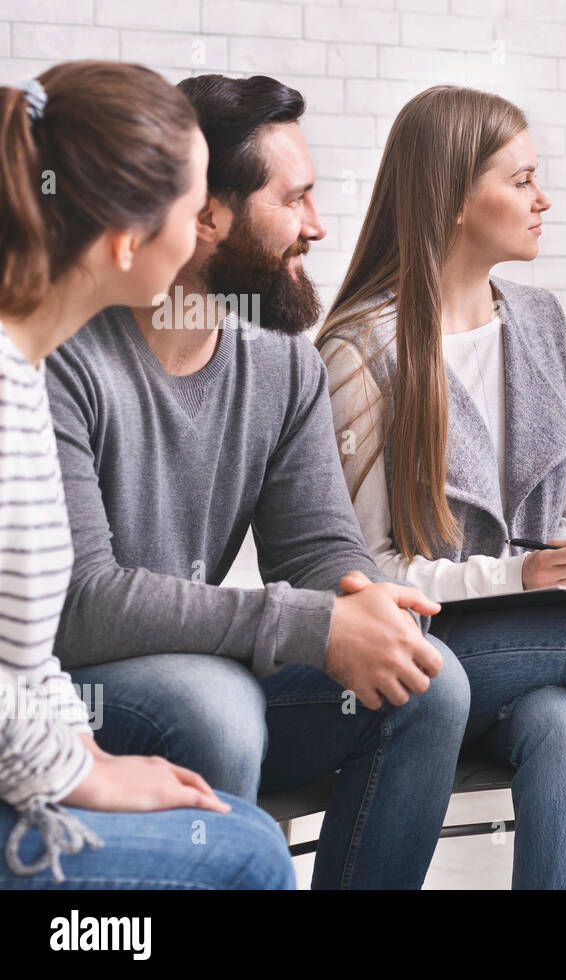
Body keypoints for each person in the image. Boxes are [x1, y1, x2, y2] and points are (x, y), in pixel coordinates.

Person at [45, 73, 471, 890]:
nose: (316, 227)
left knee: (427, 681)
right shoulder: (63, 355)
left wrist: (364, 606)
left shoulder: (282, 366)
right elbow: (79, 603)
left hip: (210, 657)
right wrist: (306, 626)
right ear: (207, 214)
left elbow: (319, 555)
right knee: (213, 705)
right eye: (296, 199)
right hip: (78, 685)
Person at [316, 85, 566, 890]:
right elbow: (360, 573)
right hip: (417, 654)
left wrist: (564, 555)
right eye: (521, 180)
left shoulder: (540, 321)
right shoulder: (360, 352)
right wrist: (513, 578)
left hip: (525, 652)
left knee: (564, 727)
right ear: (455, 199)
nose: (544, 199)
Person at [0, 61, 292, 889]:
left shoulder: (23, 370)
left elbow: (21, 663)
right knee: (246, 856)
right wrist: (77, 777)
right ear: (129, 241)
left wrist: (86, 753)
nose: (210, 226)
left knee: (231, 828)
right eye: (197, 205)